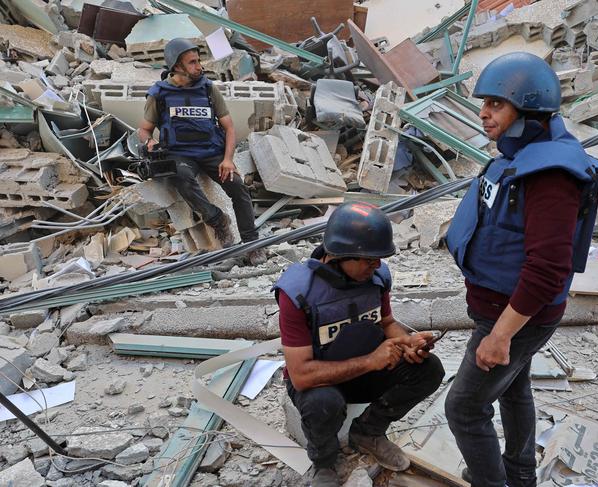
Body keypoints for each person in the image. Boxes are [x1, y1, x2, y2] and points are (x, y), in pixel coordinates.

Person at [444, 52, 598, 487]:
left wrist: (500, 335)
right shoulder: (523, 157)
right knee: (514, 388)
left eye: (496, 103)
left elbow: (549, 269)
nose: (483, 113)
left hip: (512, 316)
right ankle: (518, 475)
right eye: (484, 103)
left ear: (529, 108)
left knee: (463, 408)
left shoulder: (551, 174)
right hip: (504, 310)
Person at [273, 202, 445, 487]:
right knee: (323, 403)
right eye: (368, 259)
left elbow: (387, 322)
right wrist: (371, 361)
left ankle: (368, 431)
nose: (377, 265)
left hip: (365, 369)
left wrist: (407, 342)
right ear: (340, 255)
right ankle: (325, 462)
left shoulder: (376, 278)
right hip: (319, 380)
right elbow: (301, 375)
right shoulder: (298, 294)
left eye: (379, 258)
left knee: (429, 370)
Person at [138, 38, 266, 265]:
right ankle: (217, 220)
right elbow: (144, 130)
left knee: (238, 187)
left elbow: (229, 127)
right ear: (176, 66)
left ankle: (252, 244)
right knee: (181, 177)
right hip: (181, 154)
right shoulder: (159, 93)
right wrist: (148, 143)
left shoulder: (208, 88)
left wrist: (228, 159)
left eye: (198, 61)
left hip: (211, 152)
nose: (199, 66)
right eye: (192, 62)